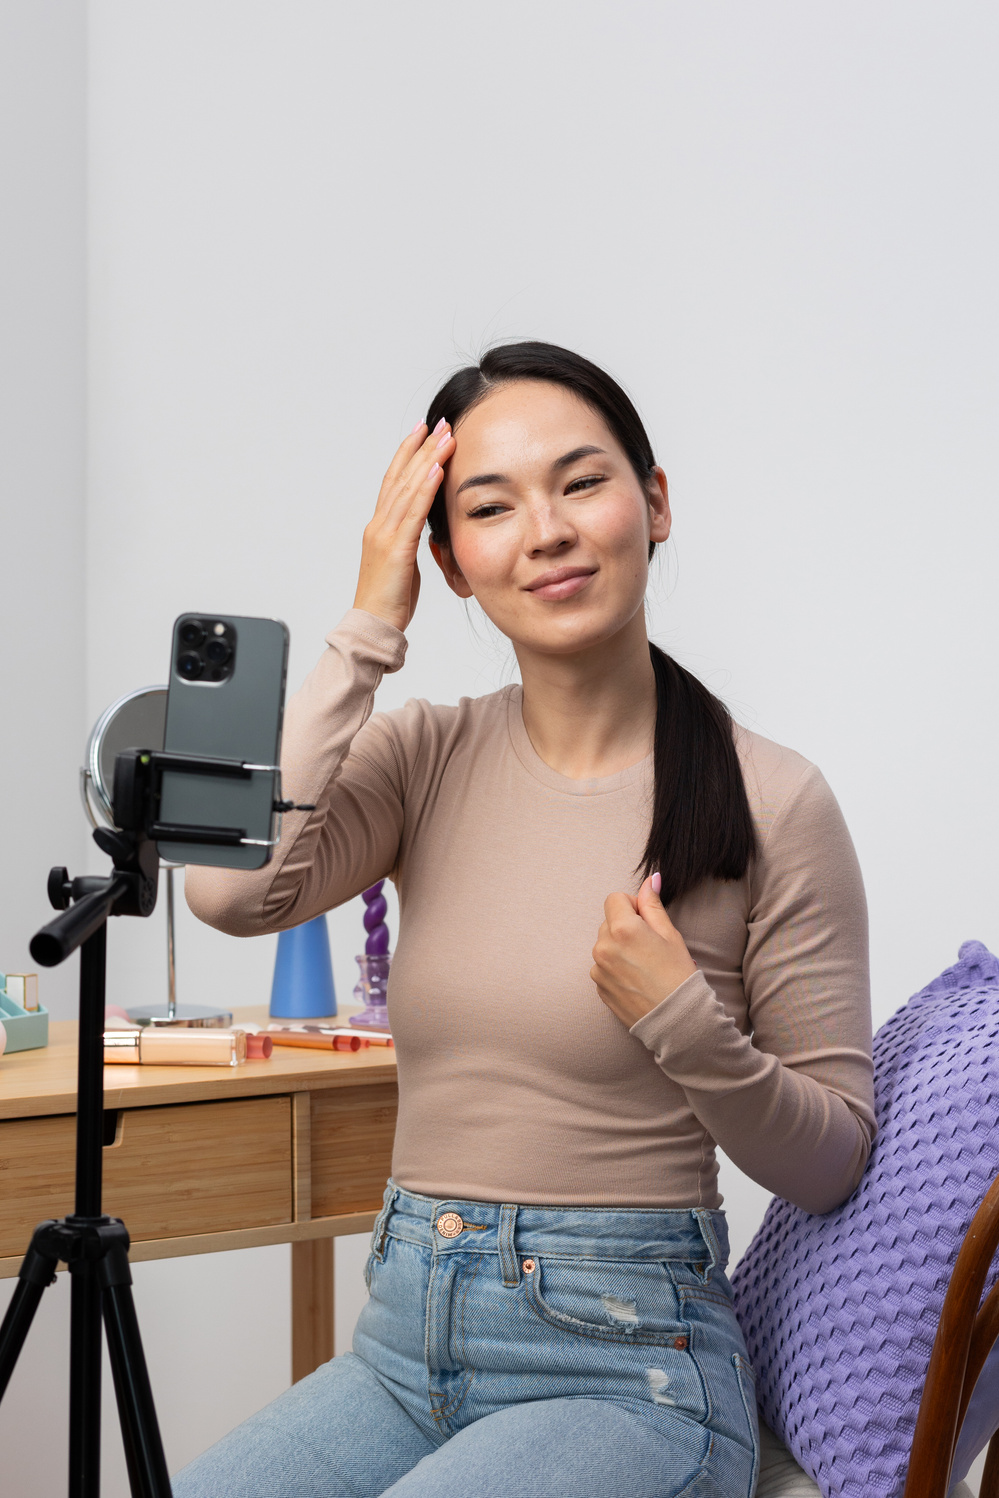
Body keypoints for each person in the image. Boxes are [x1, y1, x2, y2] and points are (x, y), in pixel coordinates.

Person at [174, 341, 876, 1498]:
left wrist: (689, 1029)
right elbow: (231, 891)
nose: (545, 531)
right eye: (488, 508)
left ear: (653, 503)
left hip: (628, 1371)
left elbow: (832, 1161)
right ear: (448, 560)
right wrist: (366, 620)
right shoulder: (423, 754)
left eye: (581, 482)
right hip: (403, 1354)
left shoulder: (771, 800)